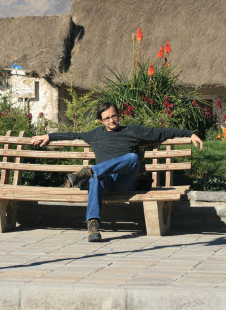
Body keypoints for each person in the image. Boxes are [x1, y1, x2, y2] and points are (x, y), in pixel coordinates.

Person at [32, 102, 203, 242]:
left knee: (132, 158)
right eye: (107, 118)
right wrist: (50, 136)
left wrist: (190, 134)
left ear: (118, 115)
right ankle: (93, 225)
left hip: (125, 181)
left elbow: (161, 132)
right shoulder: (95, 135)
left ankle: (89, 171)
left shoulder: (132, 130)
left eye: (114, 116)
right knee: (96, 178)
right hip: (104, 181)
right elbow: (72, 135)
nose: (112, 121)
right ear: (101, 121)